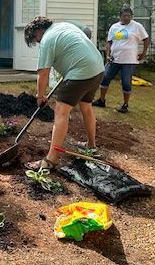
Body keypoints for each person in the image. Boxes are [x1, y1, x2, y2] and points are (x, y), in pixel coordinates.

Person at [23, 17, 105, 170]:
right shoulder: (64, 26)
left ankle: (51, 160)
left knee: (61, 111)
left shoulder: (47, 39)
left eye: (35, 38)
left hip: (80, 72)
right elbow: (86, 32)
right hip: (97, 68)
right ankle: (91, 146)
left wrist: (40, 96)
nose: (37, 41)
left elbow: (43, 73)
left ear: (39, 31)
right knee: (86, 107)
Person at [92, 7, 149, 113]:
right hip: (114, 59)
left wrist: (144, 53)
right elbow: (109, 42)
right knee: (105, 77)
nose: (126, 18)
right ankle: (101, 100)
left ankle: (125, 105)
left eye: (129, 16)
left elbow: (146, 39)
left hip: (129, 60)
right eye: (124, 16)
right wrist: (108, 55)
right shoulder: (114, 27)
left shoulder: (137, 26)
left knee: (126, 82)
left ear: (132, 16)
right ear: (120, 16)